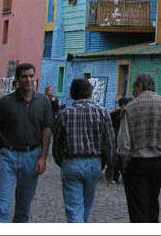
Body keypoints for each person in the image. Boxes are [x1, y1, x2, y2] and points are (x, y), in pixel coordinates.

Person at [0, 62, 54, 223]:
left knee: (23, 209)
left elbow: (47, 130)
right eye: (24, 77)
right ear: (17, 80)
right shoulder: (6, 102)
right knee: (1, 207)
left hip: (32, 156)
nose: (28, 80)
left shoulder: (43, 102)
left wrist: (43, 157)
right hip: (7, 155)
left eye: (31, 76)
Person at [117, 73, 161, 222]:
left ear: (140, 86)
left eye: (134, 86)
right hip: (159, 162)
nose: (133, 90)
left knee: (138, 205)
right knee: (153, 200)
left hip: (137, 162)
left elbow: (124, 141)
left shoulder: (131, 107)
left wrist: (124, 163)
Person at [52, 78, 116, 222]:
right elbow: (110, 142)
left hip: (72, 162)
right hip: (94, 163)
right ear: (90, 92)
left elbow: (57, 143)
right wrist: (110, 167)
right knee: (86, 205)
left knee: (74, 208)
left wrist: (60, 161)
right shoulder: (102, 112)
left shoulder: (65, 114)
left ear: (72, 93)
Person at [109, 96, 131, 184]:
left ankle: (122, 176)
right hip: (117, 138)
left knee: (122, 159)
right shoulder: (116, 114)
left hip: (121, 139)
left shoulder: (124, 113)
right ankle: (116, 176)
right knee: (118, 159)